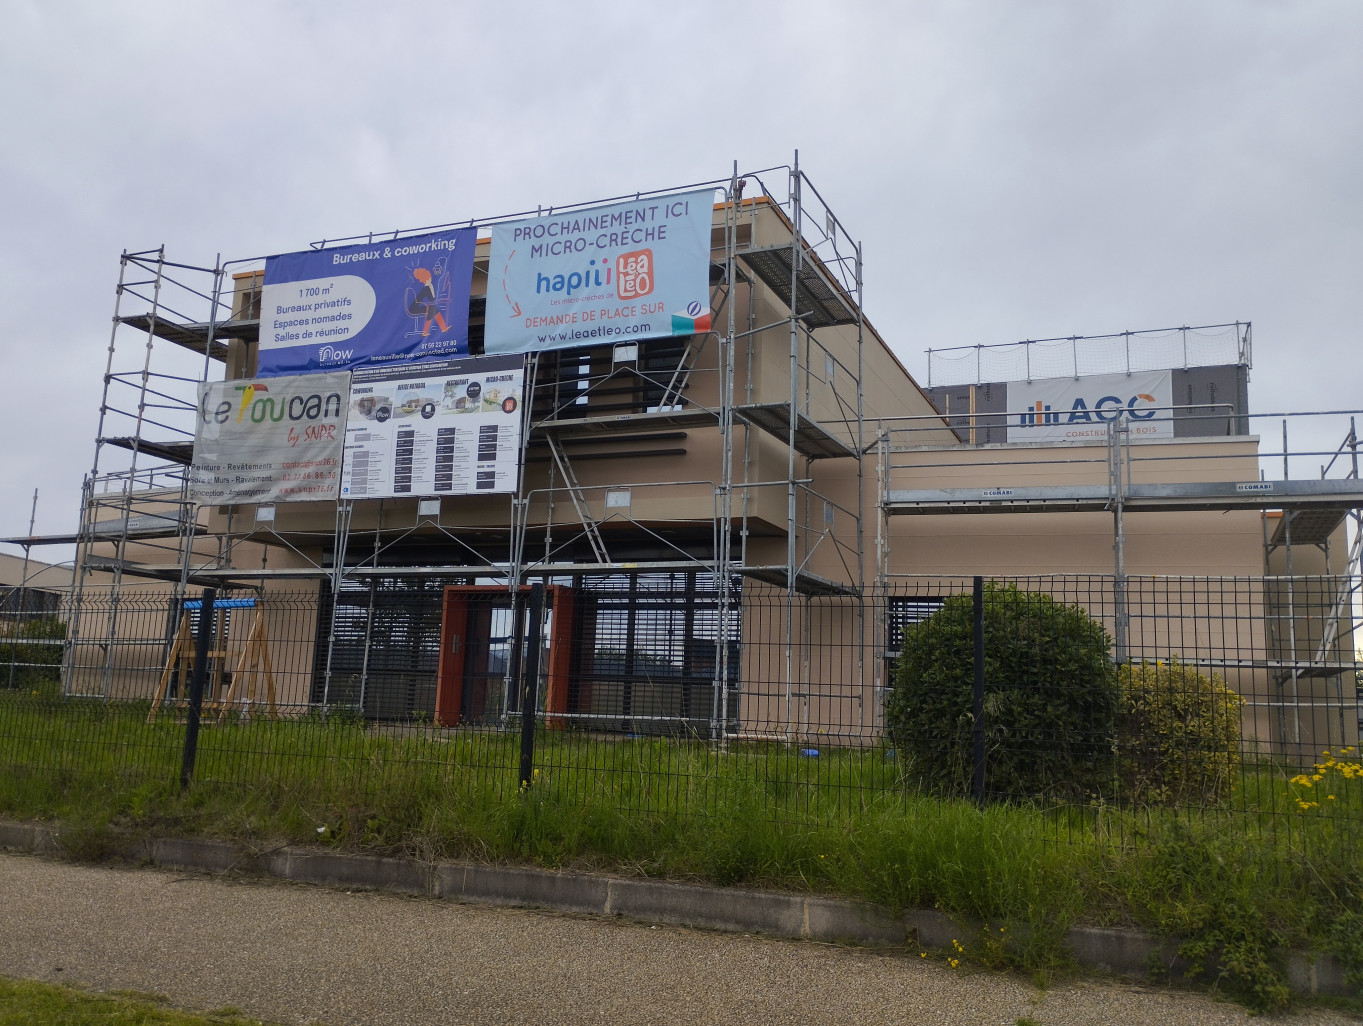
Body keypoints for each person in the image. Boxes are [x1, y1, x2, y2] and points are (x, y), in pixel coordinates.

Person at [408, 267, 450, 336]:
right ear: (425, 279)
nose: (430, 279)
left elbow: (431, 300)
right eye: (428, 278)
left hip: (419, 306)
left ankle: (443, 328)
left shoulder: (427, 288)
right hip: (414, 309)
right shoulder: (426, 289)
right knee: (432, 309)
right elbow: (431, 299)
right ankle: (426, 332)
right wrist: (431, 287)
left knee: (433, 309)